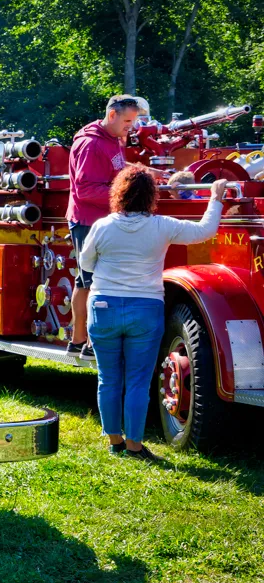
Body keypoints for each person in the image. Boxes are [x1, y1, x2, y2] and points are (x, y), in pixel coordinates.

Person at [80, 168, 226, 462]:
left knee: (108, 379)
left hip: (103, 306)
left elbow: (86, 262)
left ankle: (114, 442)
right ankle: (135, 446)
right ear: (151, 196)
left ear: (118, 193)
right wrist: (216, 197)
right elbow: (204, 231)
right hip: (145, 309)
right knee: (137, 380)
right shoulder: (162, 226)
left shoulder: (102, 225)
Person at [65, 94, 141, 359]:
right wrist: (127, 194)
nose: (131, 126)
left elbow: (115, 167)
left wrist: (142, 173)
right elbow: (85, 190)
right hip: (88, 220)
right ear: (112, 115)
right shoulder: (90, 144)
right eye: (128, 121)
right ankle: (85, 343)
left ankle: (79, 342)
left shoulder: (113, 139)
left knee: (86, 280)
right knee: (91, 281)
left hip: (101, 219)